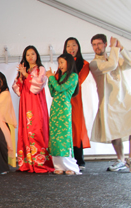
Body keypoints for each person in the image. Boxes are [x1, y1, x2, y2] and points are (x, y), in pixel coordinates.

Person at [89, 34, 131, 171]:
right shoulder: (94, 64)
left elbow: (129, 62)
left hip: (124, 98)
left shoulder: (115, 57)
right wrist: (114, 48)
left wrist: (121, 48)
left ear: (105, 44)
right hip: (108, 102)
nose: (97, 47)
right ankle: (121, 159)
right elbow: (111, 65)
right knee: (114, 132)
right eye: (94, 44)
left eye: (99, 44)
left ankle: (129, 159)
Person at [13, 46, 54, 173]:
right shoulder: (25, 69)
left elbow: (38, 86)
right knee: (25, 131)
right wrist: (21, 76)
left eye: (32, 54)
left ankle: (40, 163)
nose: (30, 57)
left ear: (37, 55)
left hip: (35, 103)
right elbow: (17, 89)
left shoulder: (40, 69)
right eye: (27, 55)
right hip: (25, 103)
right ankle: (27, 163)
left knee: (36, 129)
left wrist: (26, 75)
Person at [46, 53, 80, 175]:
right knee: (55, 136)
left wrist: (51, 78)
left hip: (64, 109)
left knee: (64, 136)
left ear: (69, 63)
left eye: (62, 62)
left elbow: (60, 89)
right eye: (59, 63)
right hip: (55, 107)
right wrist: (51, 79)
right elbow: (53, 92)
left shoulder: (74, 76)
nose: (60, 65)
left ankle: (70, 166)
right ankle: (58, 166)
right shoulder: (60, 76)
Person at [63, 37, 91, 171]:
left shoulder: (84, 64)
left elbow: (78, 81)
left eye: (74, 45)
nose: (71, 48)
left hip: (75, 98)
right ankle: (66, 159)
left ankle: (79, 160)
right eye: (68, 46)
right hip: (63, 99)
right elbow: (57, 79)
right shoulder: (62, 63)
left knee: (76, 127)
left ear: (78, 47)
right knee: (65, 126)